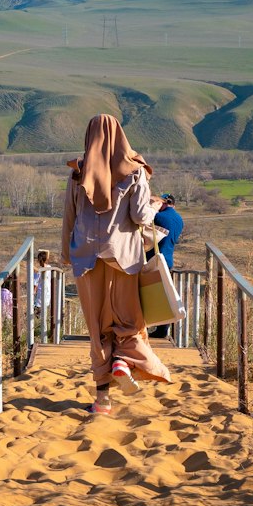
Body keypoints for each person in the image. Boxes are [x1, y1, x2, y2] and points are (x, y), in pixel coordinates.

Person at [61, 113, 171, 416]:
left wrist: (65, 253)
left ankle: (103, 401)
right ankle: (123, 361)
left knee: (97, 328)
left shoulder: (78, 172)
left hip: (86, 259)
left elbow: (69, 216)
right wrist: (153, 207)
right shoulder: (135, 172)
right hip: (124, 257)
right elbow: (139, 217)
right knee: (127, 318)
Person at [147, 192, 184, 339]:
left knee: (151, 294)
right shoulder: (179, 219)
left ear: (163, 203)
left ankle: (154, 327)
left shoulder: (158, 217)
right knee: (165, 295)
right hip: (168, 258)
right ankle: (163, 328)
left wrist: (151, 209)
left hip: (154, 260)